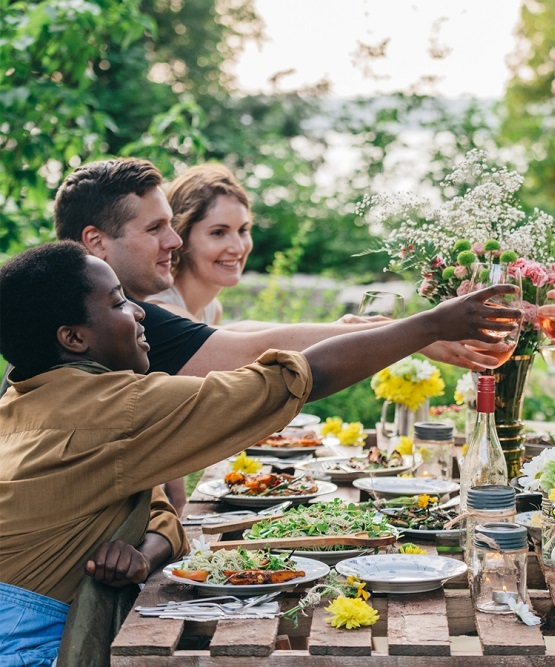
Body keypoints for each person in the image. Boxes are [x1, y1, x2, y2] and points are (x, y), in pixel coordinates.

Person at [0, 241, 520, 664]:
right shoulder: (110, 406)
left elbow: (157, 506)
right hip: (28, 643)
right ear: (72, 337)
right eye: (117, 302)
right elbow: (287, 382)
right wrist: (431, 325)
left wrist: (147, 550)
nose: (139, 312)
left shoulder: (24, 398)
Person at [52, 157, 507, 377]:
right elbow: (256, 349)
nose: (170, 241)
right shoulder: (122, 321)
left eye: (243, 229)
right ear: (97, 242)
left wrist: (364, 326)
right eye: (156, 229)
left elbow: (243, 334)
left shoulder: (92, 306)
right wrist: (426, 329)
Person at [147, 164, 252, 325]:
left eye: (243, 230)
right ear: (180, 238)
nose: (238, 248)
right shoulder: (161, 309)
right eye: (218, 233)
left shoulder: (212, 308)